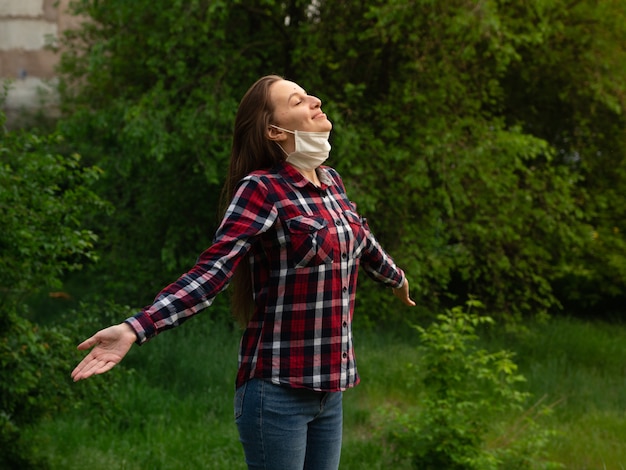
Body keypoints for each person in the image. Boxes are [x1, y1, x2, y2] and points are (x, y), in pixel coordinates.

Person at [71, 75, 416, 470]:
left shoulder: (331, 182)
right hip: (277, 391)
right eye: (299, 100)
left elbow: (362, 240)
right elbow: (212, 272)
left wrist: (396, 277)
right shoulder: (262, 189)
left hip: (330, 390)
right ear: (274, 130)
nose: (316, 101)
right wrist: (136, 327)